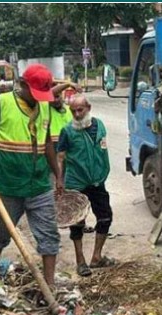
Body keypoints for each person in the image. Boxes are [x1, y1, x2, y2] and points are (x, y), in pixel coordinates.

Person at [0, 63, 64, 287]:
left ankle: (49, 286)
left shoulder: (45, 105)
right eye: (35, 93)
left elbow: (47, 143)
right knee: (0, 233)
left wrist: (57, 175)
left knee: (49, 235)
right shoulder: (0, 103)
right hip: (8, 184)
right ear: (22, 85)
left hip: (39, 184)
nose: (39, 98)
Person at [57, 95, 114, 276]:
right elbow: (60, 157)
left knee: (105, 217)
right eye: (73, 111)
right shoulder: (67, 131)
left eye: (80, 110)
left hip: (97, 181)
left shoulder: (100, 126)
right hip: (76, 182)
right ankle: (80, 261)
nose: (77, 114)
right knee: (77, 223)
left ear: (88, 107)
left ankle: (96, 257)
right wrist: (59, 180)